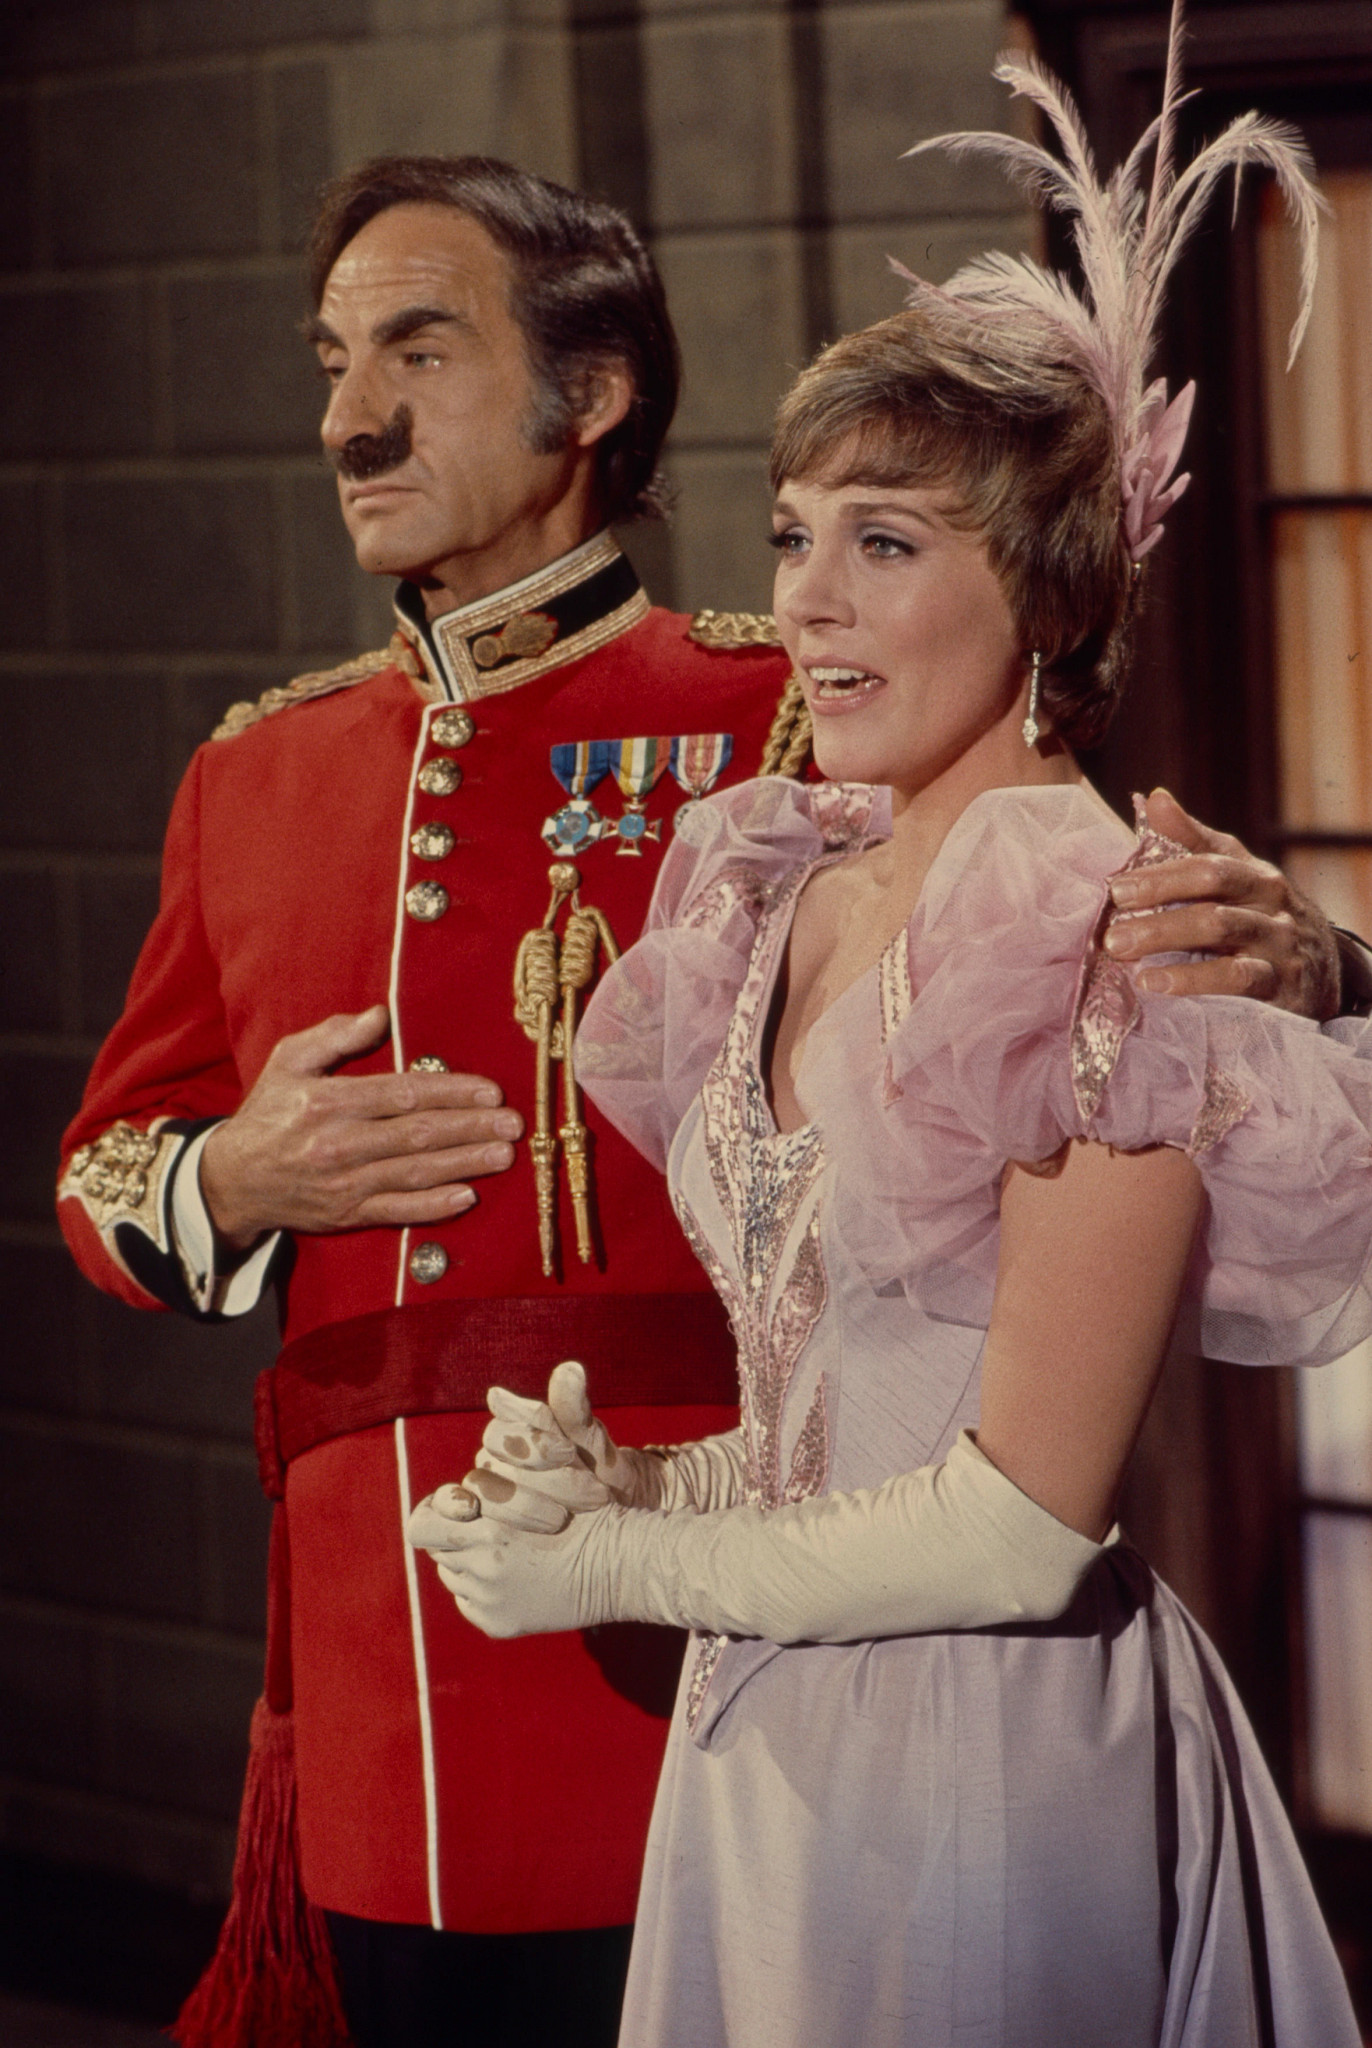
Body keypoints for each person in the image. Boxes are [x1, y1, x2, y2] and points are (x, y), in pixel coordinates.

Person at [409, 22, 1370, 2045]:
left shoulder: (1100, 937)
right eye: (790, 534)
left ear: (1041, 592)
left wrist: (612, 1572)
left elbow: (1014, 1522)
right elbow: (829, 1412)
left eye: (886, 543)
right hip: (771, 1741)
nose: (812, 605)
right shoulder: (791, 892)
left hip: (987, 1761)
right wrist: (635, 1489)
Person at [57, 157, 797, 2048]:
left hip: (692, 1632)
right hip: (367, 1678)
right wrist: (237, 1171)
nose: (344, 417)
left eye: (417, 349)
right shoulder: (255, 773)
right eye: (329, 358)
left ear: (595, 391)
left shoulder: (776, 714)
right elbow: (102, 1175)